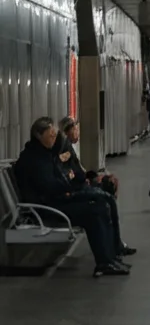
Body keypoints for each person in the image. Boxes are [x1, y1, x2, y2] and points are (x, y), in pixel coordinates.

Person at [13, 117, 129, 277]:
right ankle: (105, 262)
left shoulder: (43, 154)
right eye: (51, 136)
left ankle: (109, 258)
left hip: (56, 200)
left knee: (101, 205)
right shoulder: (35, 159)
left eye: (55, 135)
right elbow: (50, 185)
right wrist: (67, 180)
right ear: (39, 136)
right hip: (48, 208)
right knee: (94, 211)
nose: (54, 139)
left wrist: (66, 181)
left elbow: (58, 180)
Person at [56, 116, 136, 258]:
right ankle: (114, 245)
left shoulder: (67, 146)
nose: (77, 133)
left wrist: (91, 176)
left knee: (110, 188)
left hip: (80, 184)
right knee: (108, 193)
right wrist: (90, 179)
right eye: (75, 129)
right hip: (77, 188)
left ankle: (115, 243)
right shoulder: (64, 148)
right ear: (69, 131)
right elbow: (71, 173)